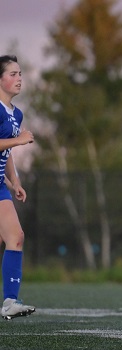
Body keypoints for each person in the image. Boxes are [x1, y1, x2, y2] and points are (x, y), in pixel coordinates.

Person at [0, 55, 36, 320]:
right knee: (15, 236)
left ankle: (9, 301)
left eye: (20, 73)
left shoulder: (17, 113)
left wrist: (15, 182)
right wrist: (21, 140)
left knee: (11, 238)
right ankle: (9, 301)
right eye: (12, 74)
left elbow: (6, 151)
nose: (19, 78)